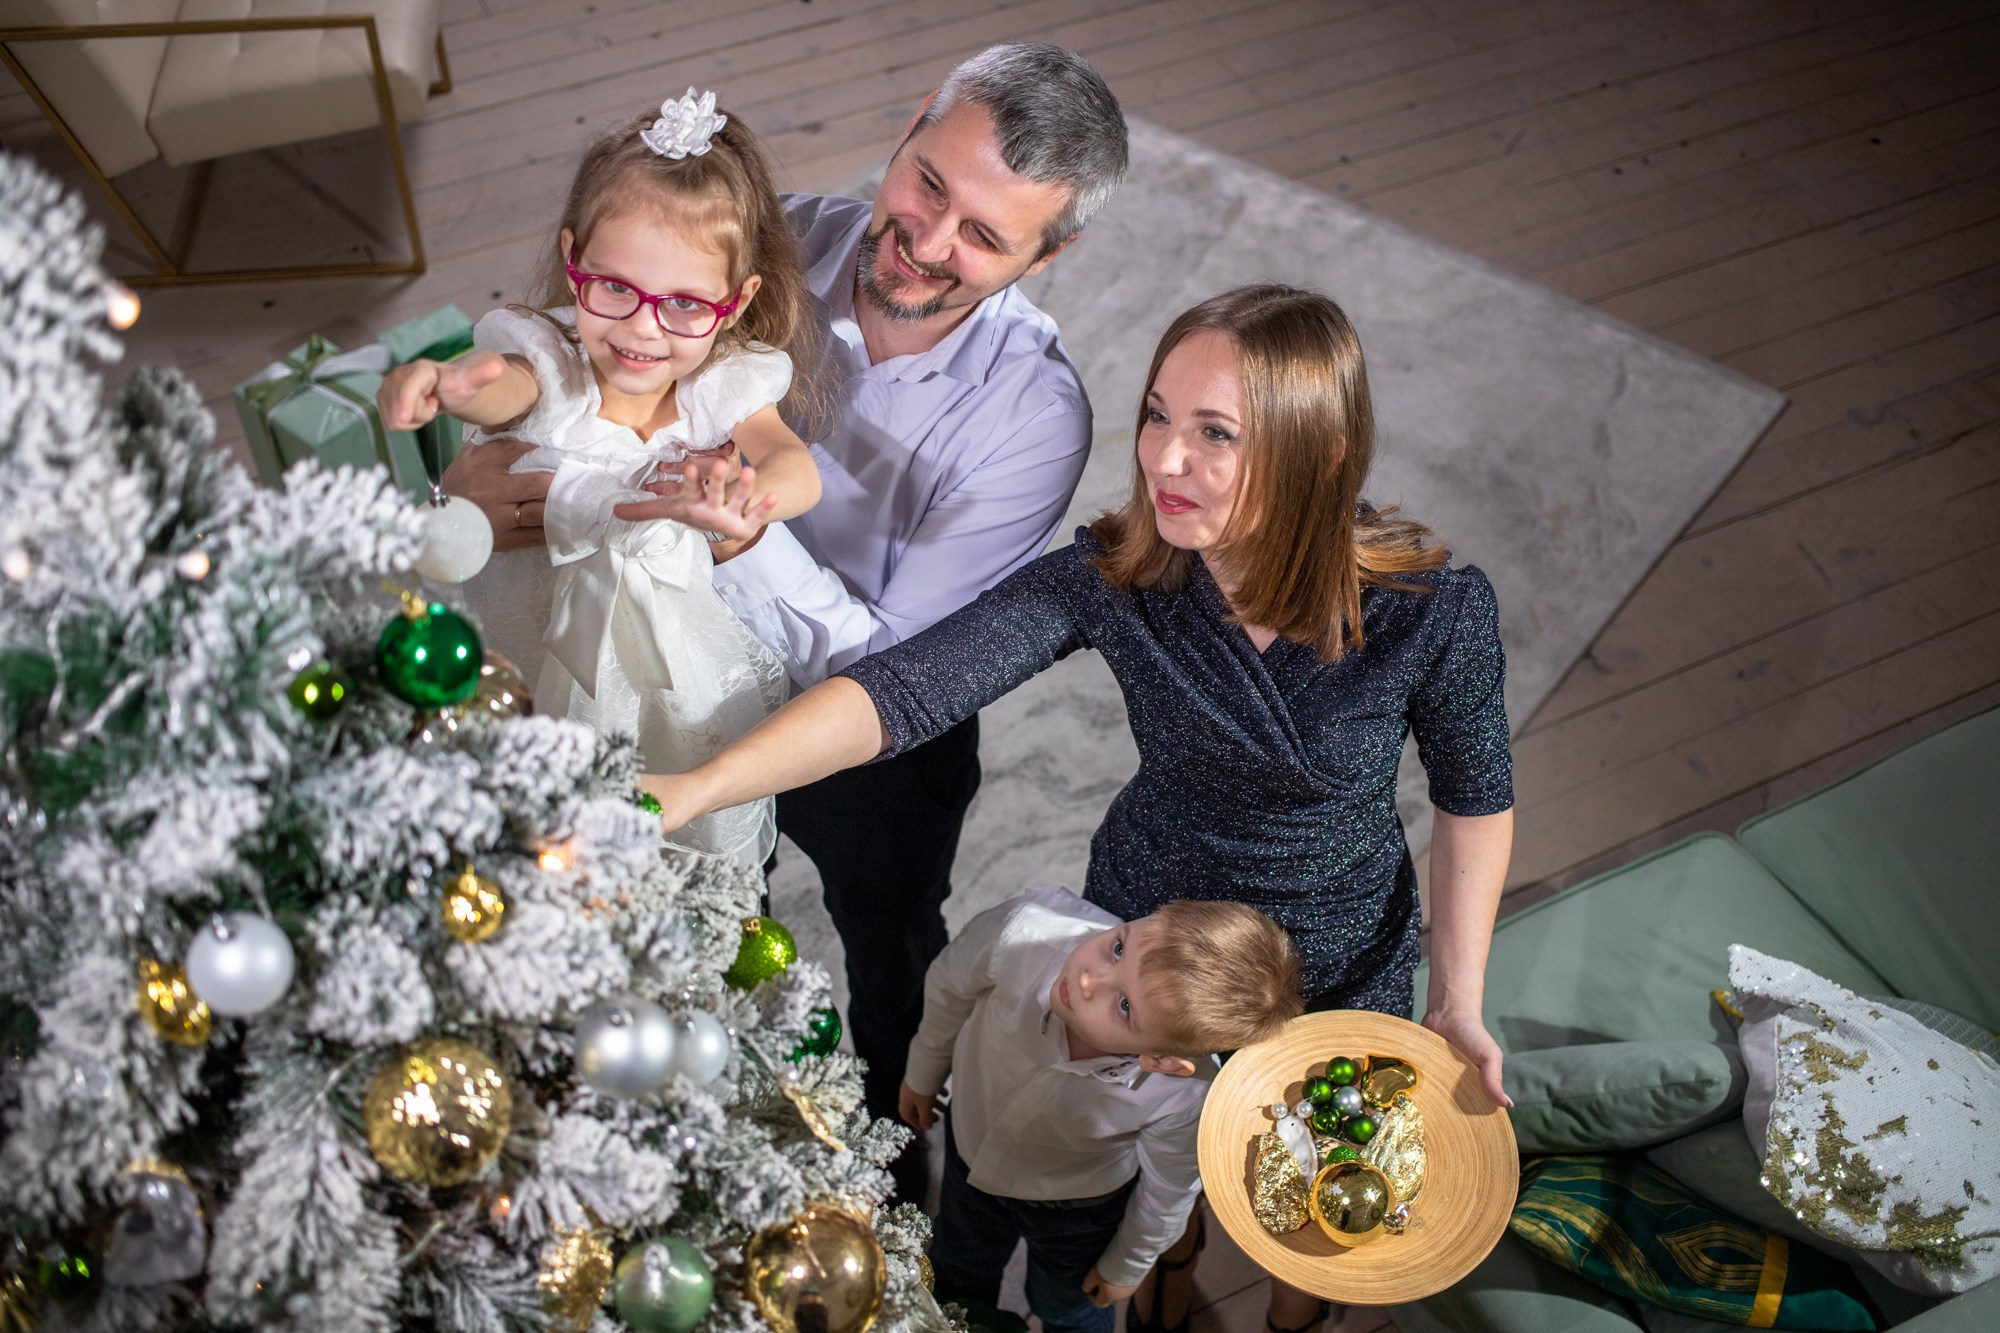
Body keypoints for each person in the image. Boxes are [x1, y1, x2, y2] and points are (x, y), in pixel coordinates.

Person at [639, 284, 1518, 1333]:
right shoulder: (1112, 578)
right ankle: (1170, 1293)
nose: (1162, 459)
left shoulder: (1429, 611)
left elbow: (1474, 798)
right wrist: (700, 784)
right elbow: (908, 690)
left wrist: (1455, 994)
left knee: (1317, 1216)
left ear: (1318, 453)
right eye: (1154, 414)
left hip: (1338, 961)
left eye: (1213, 434)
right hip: (1143, 937)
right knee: (1149, 1164)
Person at [439, 44, 1130, 1195]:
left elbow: (893, 664)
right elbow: (581, 350)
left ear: (1049, 255)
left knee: (889, 934)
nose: (923, 241)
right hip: (659, 665)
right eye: (926, 186)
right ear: (911, 124)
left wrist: (744, 533)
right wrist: (466, 489)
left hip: (860, 739)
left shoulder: (1035, 422)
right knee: (704, 906)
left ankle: (891, 1143)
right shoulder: (758, 241)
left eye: (983, 237)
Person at [380, 90, 824, 861]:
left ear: (737, 299)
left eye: (685, 303)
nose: (643, 328)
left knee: (684, 819)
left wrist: (750, 498)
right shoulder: (553, 356)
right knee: (523, 807)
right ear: (572, 260)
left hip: (676, 659)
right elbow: (504, 382)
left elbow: (795, 465)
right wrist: (451, 382)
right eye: (614, 287)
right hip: (535, 634)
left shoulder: (723, 383)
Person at [900, 887, 1302, 1333]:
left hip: (1075, 1209)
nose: (1089, 979)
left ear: (1162, 1061)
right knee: (957, 1274)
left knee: (1068, 1308)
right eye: (1117, 947)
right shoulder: (1024, 928)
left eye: (1125, 1006)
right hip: (968, 1150)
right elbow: (947, 987)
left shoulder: (1185, 1095)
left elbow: (1168, 1189)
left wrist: (1126, 1266)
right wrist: (923, 1071)